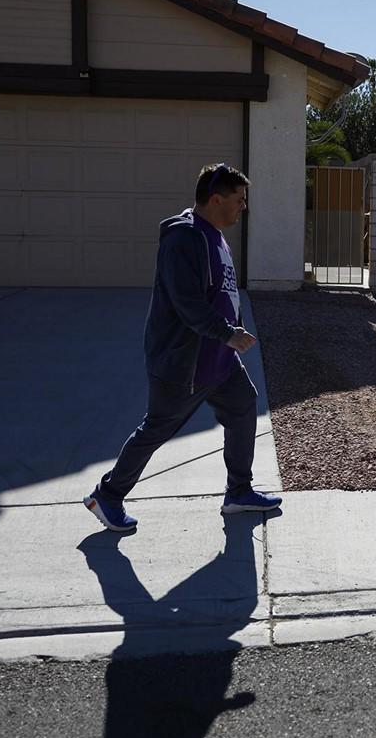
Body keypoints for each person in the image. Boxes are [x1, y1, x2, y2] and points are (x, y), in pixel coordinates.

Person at [84, 163, 281, 531]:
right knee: (157, 428)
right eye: (238, 200)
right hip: (185, 362)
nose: (243, 207)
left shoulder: (214, 236)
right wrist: (227, 333)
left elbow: (216, 294)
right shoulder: (185, 238)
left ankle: (239, 491)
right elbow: (186, 302)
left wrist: (228, 332)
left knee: (242, 406)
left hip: (217, 358)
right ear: (216, 198)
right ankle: (108, 494)